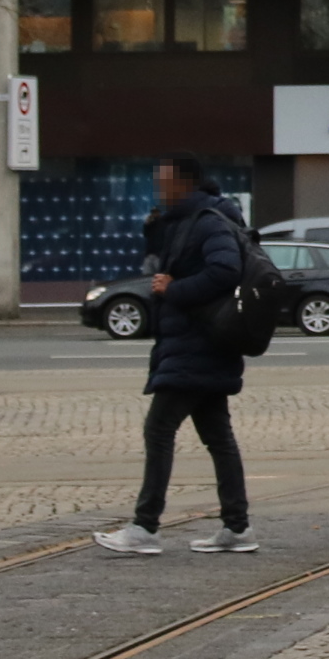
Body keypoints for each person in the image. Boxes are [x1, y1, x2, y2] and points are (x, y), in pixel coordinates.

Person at [94, 154, 255, 555]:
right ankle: (237, 527)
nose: (159, 188)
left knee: (159, 429)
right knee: (218, 437)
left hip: (196, 345)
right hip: (200, 345)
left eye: (164, 181)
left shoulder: (209, 221)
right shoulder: (188, 219)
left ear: (186, 183)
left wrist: (174, 289)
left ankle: (145, 527)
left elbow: (225, 271)